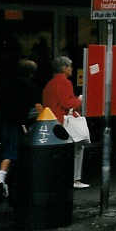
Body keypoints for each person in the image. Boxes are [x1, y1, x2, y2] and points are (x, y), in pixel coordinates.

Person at [0, 60, 43, 198]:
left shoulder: (9, 83)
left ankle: (2, 180)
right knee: (12, 152)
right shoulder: (30, 86)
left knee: (5, 150)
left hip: (0, 121)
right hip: (16, 123)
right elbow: (39, 109)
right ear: (32, 73)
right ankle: (0, 179)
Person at [43, 56, 87, 188]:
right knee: (78, 148)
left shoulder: (50, 83)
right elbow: (67, 103)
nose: (71, 69)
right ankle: (75, 179)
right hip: (63, 121)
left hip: (51, 121)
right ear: (64, 68)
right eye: (70, 66)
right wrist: (80, 100)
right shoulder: (64, 82)